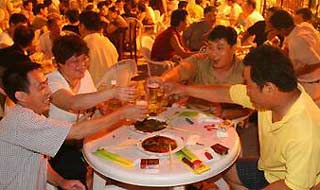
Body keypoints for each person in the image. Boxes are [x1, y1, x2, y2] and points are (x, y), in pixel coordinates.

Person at [165, 45, 320, 190]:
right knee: (226, 168)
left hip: (295, 184)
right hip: (269, 171)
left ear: (268, 88)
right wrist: (184, 89)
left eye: (248, 85)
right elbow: (226, 93)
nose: (246, 90)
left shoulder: (305, 133)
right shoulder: (280, 96)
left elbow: (292, 186)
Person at [0, 60, 147, 190]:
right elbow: (77, 132)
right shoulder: (20, 120)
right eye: (41, 87)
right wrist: (122, 113)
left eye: (46, 84)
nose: (49, 91)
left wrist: (62, 182)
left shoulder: (28, 114)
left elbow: (37, 162)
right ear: (21, 96)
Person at [48, 34, 137, 187]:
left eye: (84, 59)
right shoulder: (52, 82)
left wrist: (103, 106)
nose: (82, 65)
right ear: (59, 64)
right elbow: (73, 103)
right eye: (75, 61)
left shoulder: (84, 75)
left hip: (84, 140)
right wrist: (113, 92)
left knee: (124, 153)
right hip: (57, 146)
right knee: (78, 170)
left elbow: (92, 102)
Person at [158, 25, 250, 119]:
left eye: (219, 48)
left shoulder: (245, 70)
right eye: (210, 47)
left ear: (234, 48)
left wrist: (225, 113)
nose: (213, 53)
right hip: (193, 117)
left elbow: (250, 107)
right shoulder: (200, 60)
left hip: (226, 124)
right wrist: (163, 79)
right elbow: (180, 70)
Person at [269, 10, 320, 107]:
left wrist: (293, 74)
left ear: (282, 29)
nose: (275, 32)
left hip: (311, 86)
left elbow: (316, 62)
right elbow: (293, 54)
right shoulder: (304, 26)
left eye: (275, 29)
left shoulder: (297, 40)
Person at [79, 10, 119, 85]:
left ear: (82, 26)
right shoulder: (108, 43)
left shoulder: (83, 45)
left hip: (93, 91)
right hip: (111, 88)